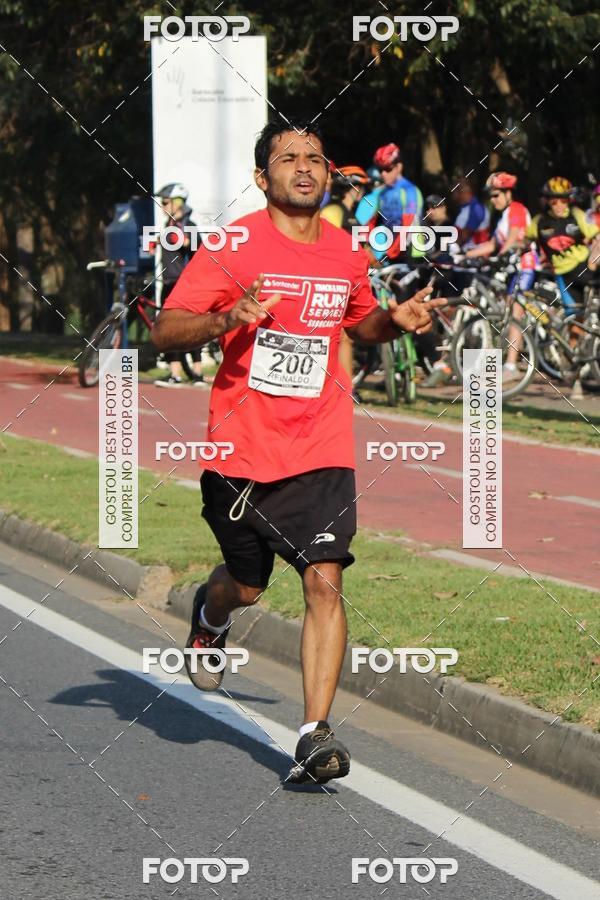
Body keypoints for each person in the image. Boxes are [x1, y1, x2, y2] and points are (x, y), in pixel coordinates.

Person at [152, 120, 445, 785]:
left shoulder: (345, 253)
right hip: (241, 454)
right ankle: (209, 611)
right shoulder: (234, 247)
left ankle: (315, 733)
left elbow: (358, 320)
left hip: (321, 443)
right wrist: (225, 320)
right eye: (288, 159)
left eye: (315, 158)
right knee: (248, 587)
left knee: (324, 577)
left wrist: (390, 323)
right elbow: (168, 328)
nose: (305, 167)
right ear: (263, 178)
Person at [467, 172, 537, 381]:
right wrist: (465, 254)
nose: (493, 200)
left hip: (524, 267)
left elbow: (514, 236)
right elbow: (492, 244)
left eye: (496, 195)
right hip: (512, 269)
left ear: (508, 193)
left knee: (514, 316)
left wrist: (500, 256)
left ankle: (511, 366)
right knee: (510, 312)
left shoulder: (516, 209)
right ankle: (517, 355)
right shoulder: (503, 216)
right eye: (491, 196)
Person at [152, 183, 207, 388]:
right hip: (168, 283)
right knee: (169, 327)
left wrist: (186, 243)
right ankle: (176, 374)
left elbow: (199, 252)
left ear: (177, 203)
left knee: (192, 327)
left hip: (184, 285)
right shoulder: (169, 226)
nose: (163, 206)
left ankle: (198, 373)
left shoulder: (188, 225)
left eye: (166, 202)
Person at [321, 166, 372, 384]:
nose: (361, 192)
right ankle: (341, 387)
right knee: (340, 337)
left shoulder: (351, 216)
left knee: (347, 338)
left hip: (352, 282)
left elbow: (365, 250)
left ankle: (344, 386)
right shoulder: (333, 211)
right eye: (359, 186)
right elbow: (323, 247)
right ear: (352, 188)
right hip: (333, 283)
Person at [526, 177, 599, 314]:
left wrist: (593, 261)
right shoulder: (539, 222)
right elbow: (524, 240)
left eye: (564, 200)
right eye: (554, 201)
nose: (559, 205)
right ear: (547, 201)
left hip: (584, 267)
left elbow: (598, 237)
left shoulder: (576, 215)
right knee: (574, 319)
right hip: (563, 275)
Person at [355, 142, 424, 261]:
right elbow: (373, 221)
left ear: (399, 167)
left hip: (411, 253)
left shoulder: (409, 191)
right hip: (390, 251)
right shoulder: (383, 193)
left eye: (387, 169)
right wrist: (361, 244)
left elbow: (410, 224)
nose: (383, 174)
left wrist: (391, 253)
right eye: (380, 169)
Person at [453, 178, 490, 249]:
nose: (454, 193)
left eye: (457, 190)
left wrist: (447, 249)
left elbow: (464, 237)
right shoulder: (465, 208)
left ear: (466, 191)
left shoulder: (476, 208)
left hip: (474, 253)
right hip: (465, 252)